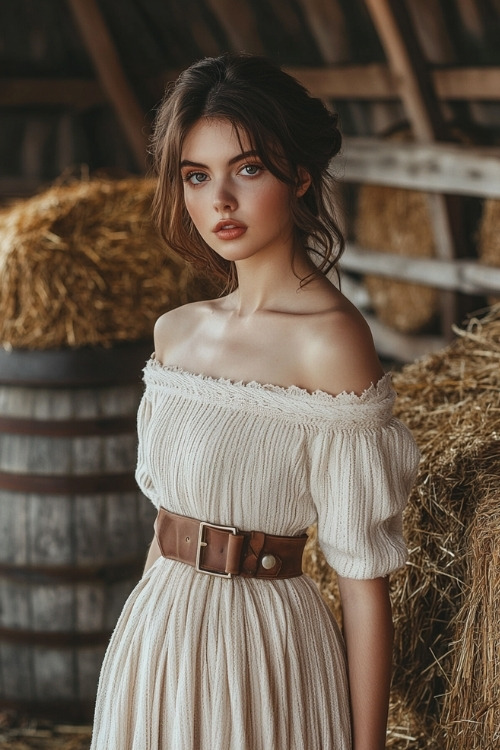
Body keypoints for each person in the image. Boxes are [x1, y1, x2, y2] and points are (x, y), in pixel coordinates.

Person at [90, 53, 420, 750]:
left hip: (265, 657)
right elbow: (162, 531)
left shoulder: (332, 344)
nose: (220, 202)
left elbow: (363, 581)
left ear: (299, 175)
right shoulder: (176, 334)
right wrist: (141, 665)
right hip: (155, 642)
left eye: (247, 169)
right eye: (196, 176)